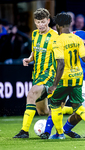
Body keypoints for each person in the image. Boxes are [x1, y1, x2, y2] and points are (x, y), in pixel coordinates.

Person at [44, 12, 85, 140]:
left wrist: (54, 84)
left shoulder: (58, 40)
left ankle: (55, 133)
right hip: (78, 78)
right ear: (70, 24)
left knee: (56, 105)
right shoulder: (78, 39)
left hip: (64, 78)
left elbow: (61, 63)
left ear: (58, 25)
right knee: (79, 107)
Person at [13, 8, 58, 138]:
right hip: (36, 75)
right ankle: (68, 112)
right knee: (43, 111)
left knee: (31, 93)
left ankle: (24, 131)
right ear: (35, 22)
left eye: (43, 21)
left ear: (48, 21)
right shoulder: (34, 34)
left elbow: (61, 58)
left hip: (49, 75)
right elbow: (35, 51)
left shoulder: (55, 36)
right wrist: (29, 58)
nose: (41, 25)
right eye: (38, 22)